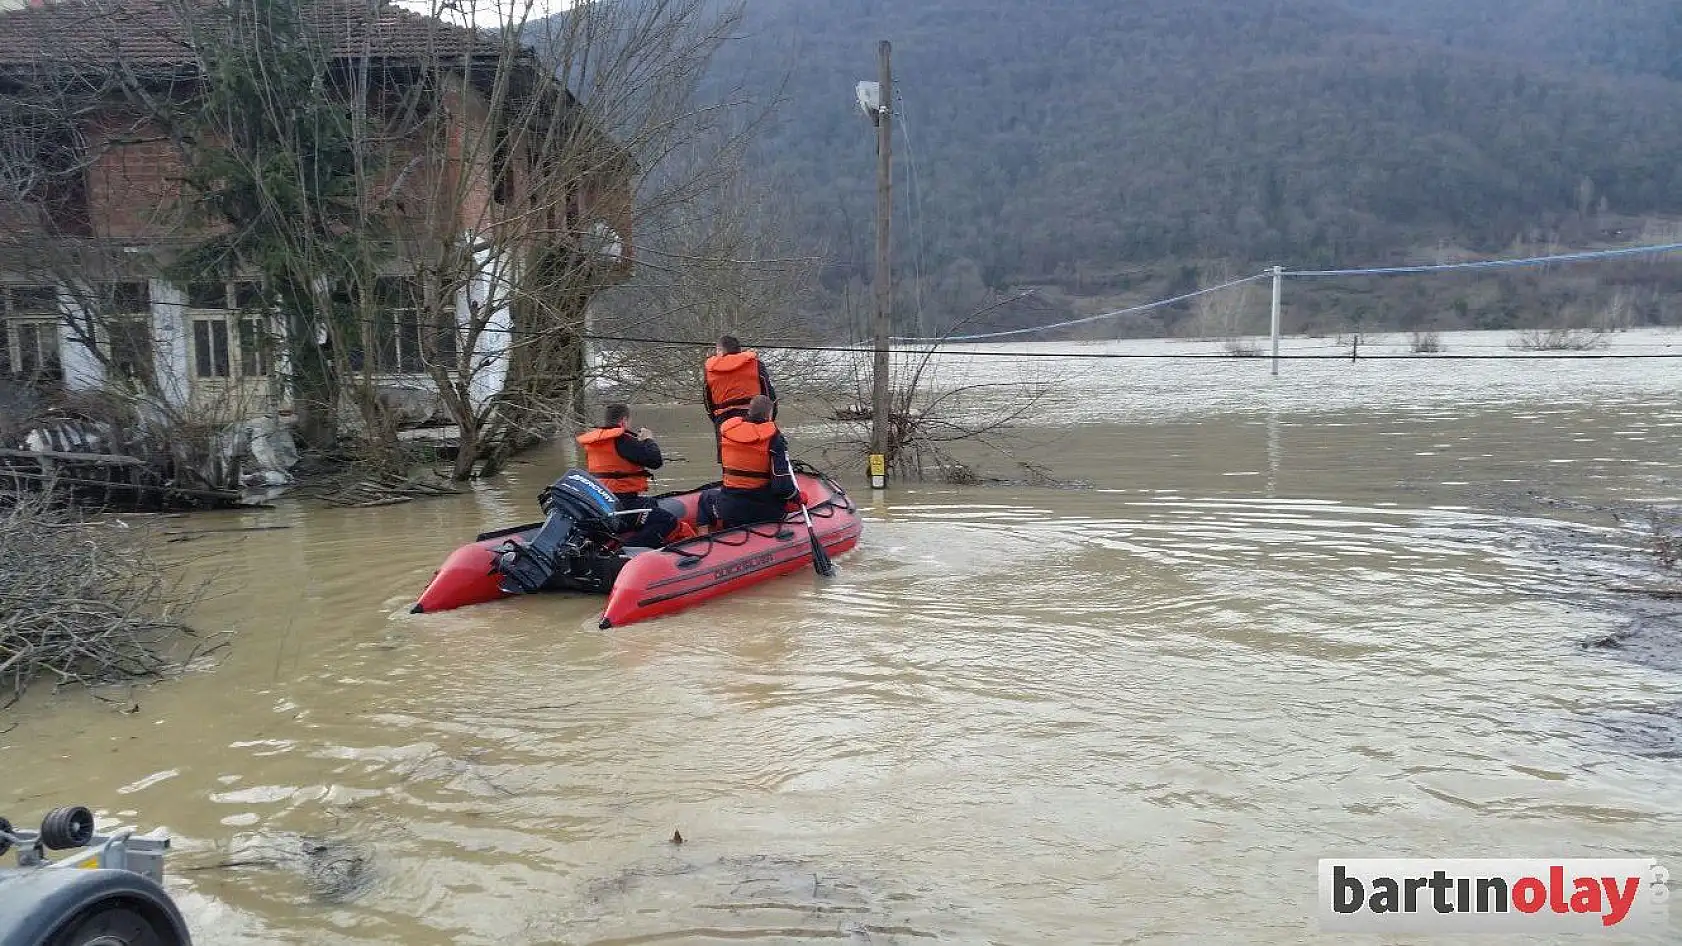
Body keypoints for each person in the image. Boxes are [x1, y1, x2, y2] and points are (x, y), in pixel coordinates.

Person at [574, 403, 679, 548]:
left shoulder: (593, 444)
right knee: (667, 520)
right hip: (622, 506)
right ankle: (626, 550)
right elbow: (655, 461)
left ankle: (610, 544)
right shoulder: (623, 440)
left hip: (600, 504)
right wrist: (648, 440)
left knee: (650, 504)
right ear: (623, 421)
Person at [697, 394, 799, 530]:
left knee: (706, 498)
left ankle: (703, 542)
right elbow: (782, 487)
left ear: (749, 411)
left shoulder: (727, 433)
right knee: (789, 502)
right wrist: (796, 496)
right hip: (764, 511)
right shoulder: (774, 439)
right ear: (769, 415)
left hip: (730, 509)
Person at [702, 335, 776, 459]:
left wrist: (717, 420)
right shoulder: (756, 365)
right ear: (739, 350)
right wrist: (769, 419)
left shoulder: (709, 370)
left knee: (730, 461)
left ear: (720, 350)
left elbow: (707, 402)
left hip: (723, 420)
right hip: (754, 417)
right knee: (758, 457)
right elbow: (769, 396)